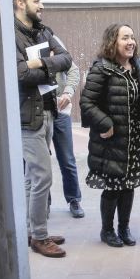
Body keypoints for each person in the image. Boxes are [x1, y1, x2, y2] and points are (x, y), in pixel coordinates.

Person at [81, 23, 140, 247]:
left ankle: (124, 227)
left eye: (132, 37)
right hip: (112, 141)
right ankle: (107, 230)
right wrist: (105, 123)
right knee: (112, 188)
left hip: (135, 140)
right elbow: (87, 102)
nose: (131, 42)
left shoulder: (137, 65)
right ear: (113, 42)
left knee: (128, 185)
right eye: (125, 38)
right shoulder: (102, 68)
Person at [14, 0, 73, 257]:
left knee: (31, 177)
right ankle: (39, 236)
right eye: (36, 0)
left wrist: (38, 63)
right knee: (42, 176)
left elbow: (66, 59)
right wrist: (47, 65)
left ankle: (31, 230)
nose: (42, 5)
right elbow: (20, 74)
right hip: (28, 116)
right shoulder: (11, 35)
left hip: (48, 111)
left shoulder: (44, 31)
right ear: (20, 3)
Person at [52, 50, 85, 219]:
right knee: (38, 164)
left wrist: (68, 91)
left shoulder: (54, 43)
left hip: (60, 110)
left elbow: (73, 70)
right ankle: (42, 203)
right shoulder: (22, 44)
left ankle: (74, 199)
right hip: (36, 112)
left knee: (67, 159)